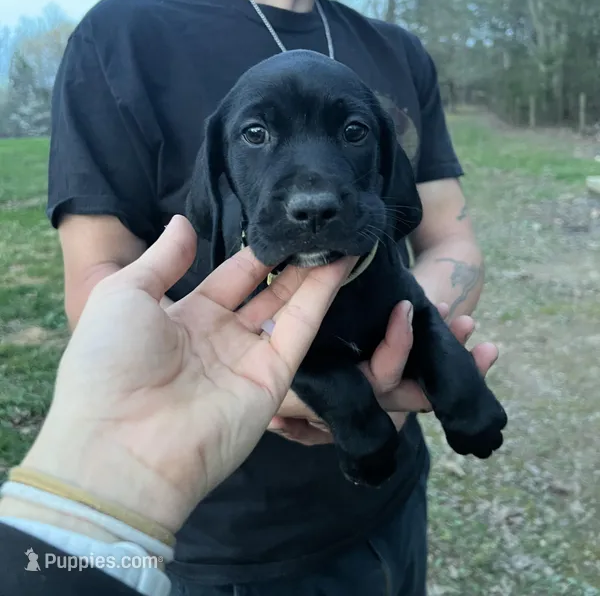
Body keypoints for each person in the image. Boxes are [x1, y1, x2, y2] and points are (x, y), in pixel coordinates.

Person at [45, 0, 496, 593]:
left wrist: (405, 340)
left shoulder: (395, 50)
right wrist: (293, 375)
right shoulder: (123, 39)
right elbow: (101, 284)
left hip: (394, 501)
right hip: (236, 547)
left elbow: (448, 233)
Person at [0, 216, 497, 595]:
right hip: (221, 545)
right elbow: (95, 269)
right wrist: (110, 479)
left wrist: (419, 331)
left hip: (392, 511)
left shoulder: (410, 75)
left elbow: (446, 226)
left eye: (354, 132)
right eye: (255, 135)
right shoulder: (106, 76)